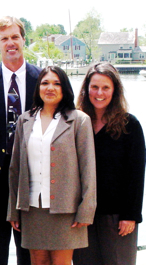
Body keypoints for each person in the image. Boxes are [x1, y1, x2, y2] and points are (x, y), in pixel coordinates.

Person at [7, 66, 96, 265]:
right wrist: (13, 209)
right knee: (38, 263)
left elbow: (88, 169)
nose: (50, 88)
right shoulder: (25, 120)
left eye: (57, 83)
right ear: (38, 87)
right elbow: (15, 169)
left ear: (65, 89)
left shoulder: (79, 121)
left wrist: (86, 210)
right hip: (32, 209)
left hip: (66, 210)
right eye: (45, 83)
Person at [0, 16, 41, 265]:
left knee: (29, 250)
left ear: (24, 40)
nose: (10, 43)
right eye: (4, 38)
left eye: (15, 36)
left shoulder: (44, 80)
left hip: (33, 176)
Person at [73, 63, 145, 265]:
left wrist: (130, 216)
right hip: (82, 216)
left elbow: (136, 174)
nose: (99, 93)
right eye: (94, 87)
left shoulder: (129, 125)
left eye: (106, 87)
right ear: (86, 89)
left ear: (115, 90)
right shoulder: (77, 123)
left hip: (117, 217)